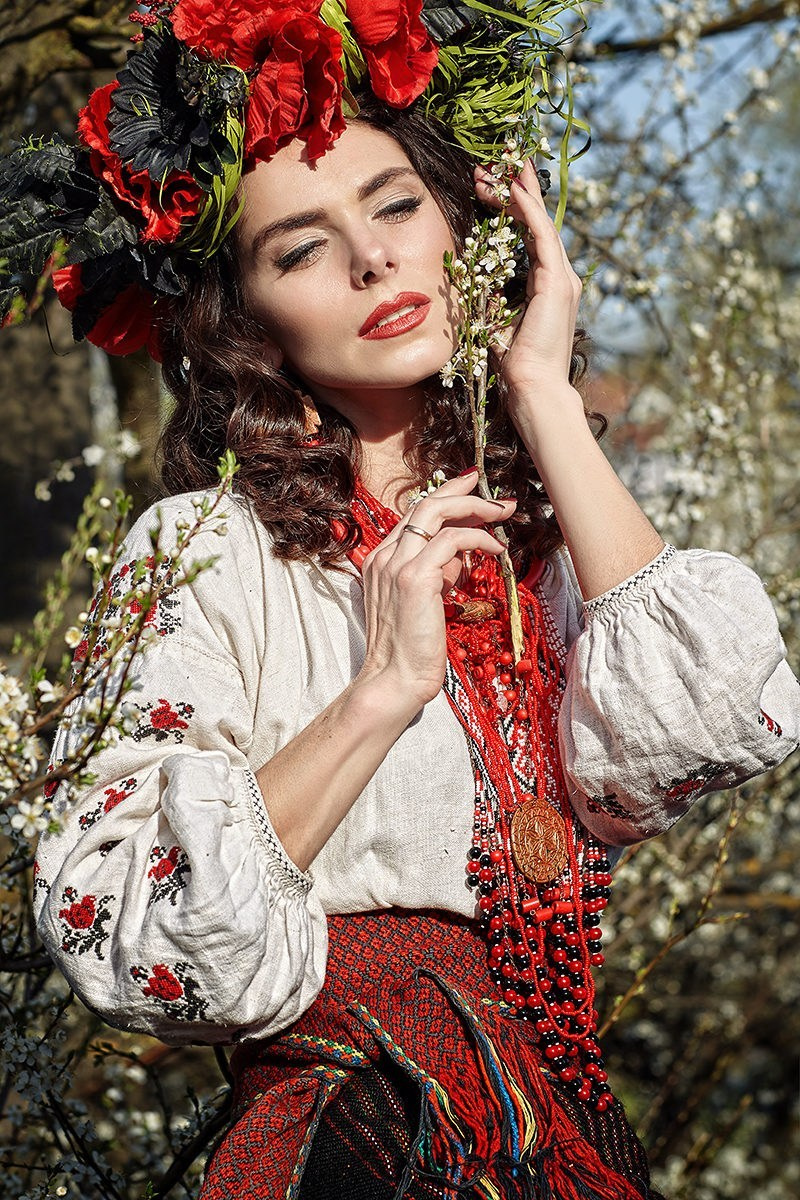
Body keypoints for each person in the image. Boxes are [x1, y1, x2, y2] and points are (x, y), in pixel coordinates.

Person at [5, 4, 799, 1199]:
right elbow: (130, 925)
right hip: (355, 1132)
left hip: (559, 1122)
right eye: (299, 249)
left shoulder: (552, 551)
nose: (373, 260)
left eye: (393, 206)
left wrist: (539, 397)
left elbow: (711, 728)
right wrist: (378, 691)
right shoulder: (205, 551)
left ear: (459, 224)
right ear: (244, 319)